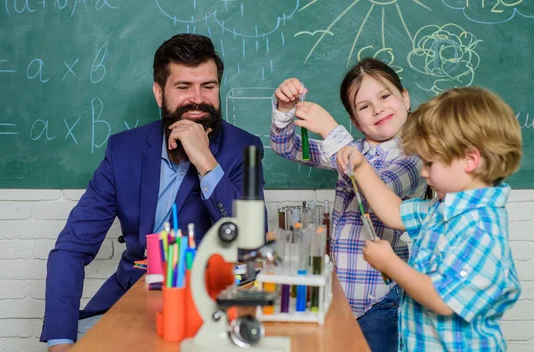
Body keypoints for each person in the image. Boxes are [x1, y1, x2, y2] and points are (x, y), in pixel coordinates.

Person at [41, 33, 265, 350]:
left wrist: (205, 161)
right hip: (128, 301)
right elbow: (71, 249)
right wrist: (60, 342)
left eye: (208, 86)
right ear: (159, 93)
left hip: (207, 307)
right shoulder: (124, 150)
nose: (198, 99)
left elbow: (250, 242)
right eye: (184, 87)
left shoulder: (244, 148)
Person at [337, 86, 522, 351]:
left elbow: (442, 299)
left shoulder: (480, 227)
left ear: (470, 160)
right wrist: (362, 166)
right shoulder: (443, 208)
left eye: (430, 163)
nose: (423, 172)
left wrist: (391, 264)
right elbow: (394, 211)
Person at [270, 58, 426, 351]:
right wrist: (285, 111)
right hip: (342, 293)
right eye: (364, 106)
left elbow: (378, 188)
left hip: (381, 298)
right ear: (355, 120)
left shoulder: (416, 156)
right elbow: (287, 147)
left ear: (405, 98)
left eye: (384, 96)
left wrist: (332, 132)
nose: (378, 108)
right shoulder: (351, 149)